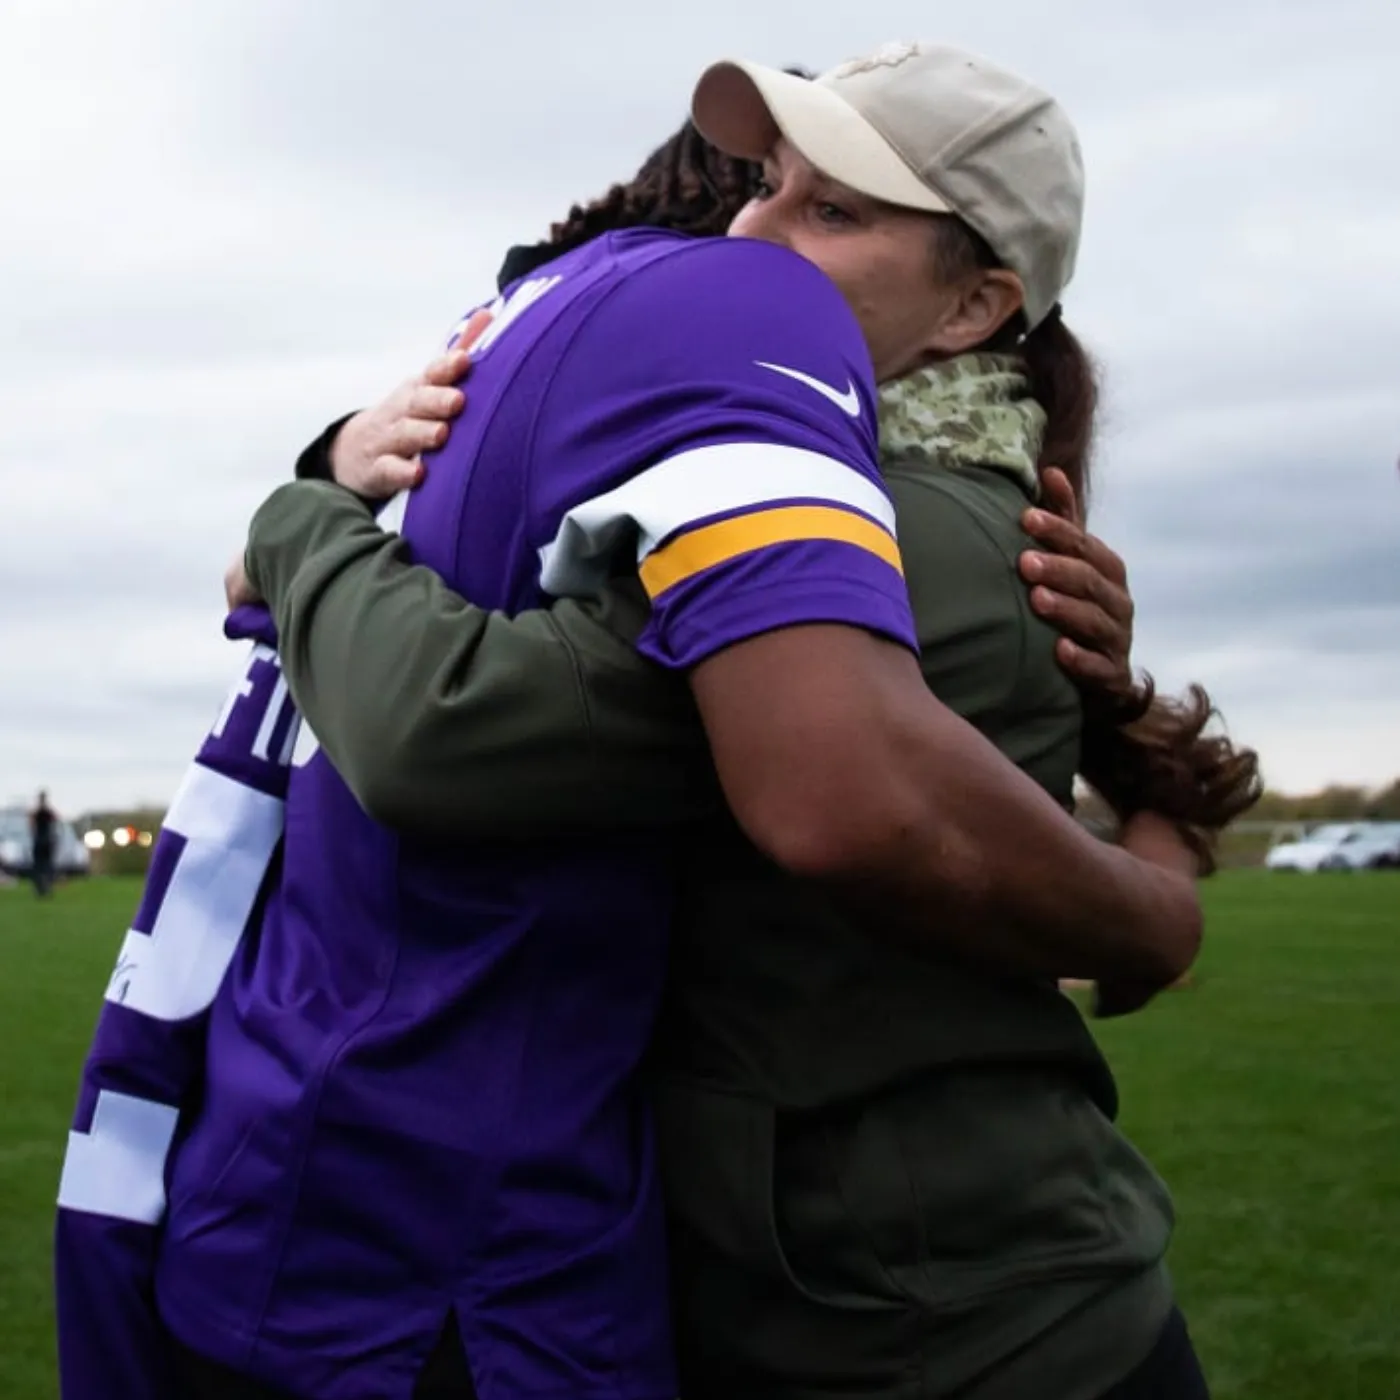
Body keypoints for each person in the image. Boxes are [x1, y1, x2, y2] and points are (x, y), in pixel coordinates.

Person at [58, 43, 1222, 1400]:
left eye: (830, 213)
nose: (750, 238)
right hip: (827, 1297)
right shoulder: (828, 476)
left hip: (957, 1329)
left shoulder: (878, 528)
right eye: (769, 188)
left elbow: (447, 727)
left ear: (974, 306)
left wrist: (301, 511)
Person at [29, 790, 57, 897]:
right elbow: (55, 822)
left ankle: (39, 888)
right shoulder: (49, 812)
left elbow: (31, 825)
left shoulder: (35, 812)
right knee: (47, 865)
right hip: (47, 840)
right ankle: (47, 886)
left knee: (38, 865)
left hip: (39, 840)